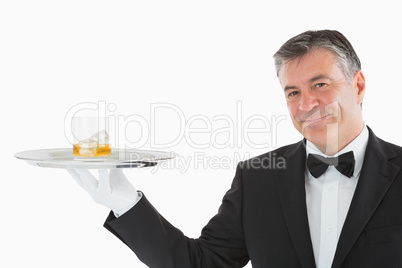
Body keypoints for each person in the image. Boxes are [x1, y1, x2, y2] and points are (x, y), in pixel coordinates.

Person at [68, 30, 402, 268]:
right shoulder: (258, 178)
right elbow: (203, 264)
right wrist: (127, 204)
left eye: (320, 84)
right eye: (292, 93)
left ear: (357, 85)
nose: (307, 104)